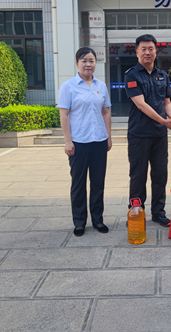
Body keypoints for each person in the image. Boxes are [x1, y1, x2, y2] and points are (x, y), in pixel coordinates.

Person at [125, 34, 171, 227]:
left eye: (151, 49)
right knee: (138, 176)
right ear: (137, 52)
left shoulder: (163, 75)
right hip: (139, 134)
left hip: (159, 135)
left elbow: (167, 103)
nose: (147, 52)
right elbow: (140, 104)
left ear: (156, 51)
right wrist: (164, 121)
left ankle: (158, 213)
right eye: (143, 49)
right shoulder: (131, 75)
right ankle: (135, 213)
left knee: (160, 174)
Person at [58, 47, 112, 237]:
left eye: (91, 60)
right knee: (78, 184)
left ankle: (98, 219)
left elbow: (106, 111)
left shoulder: (101, 86)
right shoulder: (68, 86)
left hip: (99, 141)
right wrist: (68, 141)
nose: (88, 64)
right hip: (78, 142)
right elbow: (64, 115)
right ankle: (79, 222)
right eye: (84, 61)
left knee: (98, 183)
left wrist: (108, 137)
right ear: (77, 64)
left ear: (95, 63)